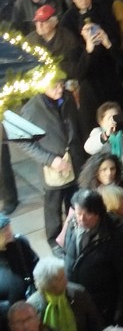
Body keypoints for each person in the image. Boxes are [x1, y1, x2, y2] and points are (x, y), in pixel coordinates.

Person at [19, 79, 86, 249]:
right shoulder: (32, 108)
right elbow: (24, 141)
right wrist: (50, 160)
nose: (60, 89)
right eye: (54, 86)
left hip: (74, 159)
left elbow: (76, 124)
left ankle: (74, 232)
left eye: (61, 84)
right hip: (53, 166)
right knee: (53, 205)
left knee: (74, 199)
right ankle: (54, 240)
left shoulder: (68, 97)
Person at [63, 189, 123, 328]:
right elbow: (68, 254)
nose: (81, 218)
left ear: (98, 213)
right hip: (77, 303)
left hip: (104, 308)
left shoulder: (115, 235)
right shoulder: (72, 225)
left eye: (88, 214)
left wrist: (121, 315)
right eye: (78, 213)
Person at [27, 257, 103, 331]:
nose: (66, 280)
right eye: (60, 279)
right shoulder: (32, 307)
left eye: (64, 275)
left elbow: (95, 323)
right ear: (47, 284)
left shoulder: (78, 293)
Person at [0, 215, 38, 321]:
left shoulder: (19, 243)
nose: (8, 232)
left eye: (8, 227)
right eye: (3, 231)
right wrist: (6, 308)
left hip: (30, 303)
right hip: (7, 316)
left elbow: (35, 263)